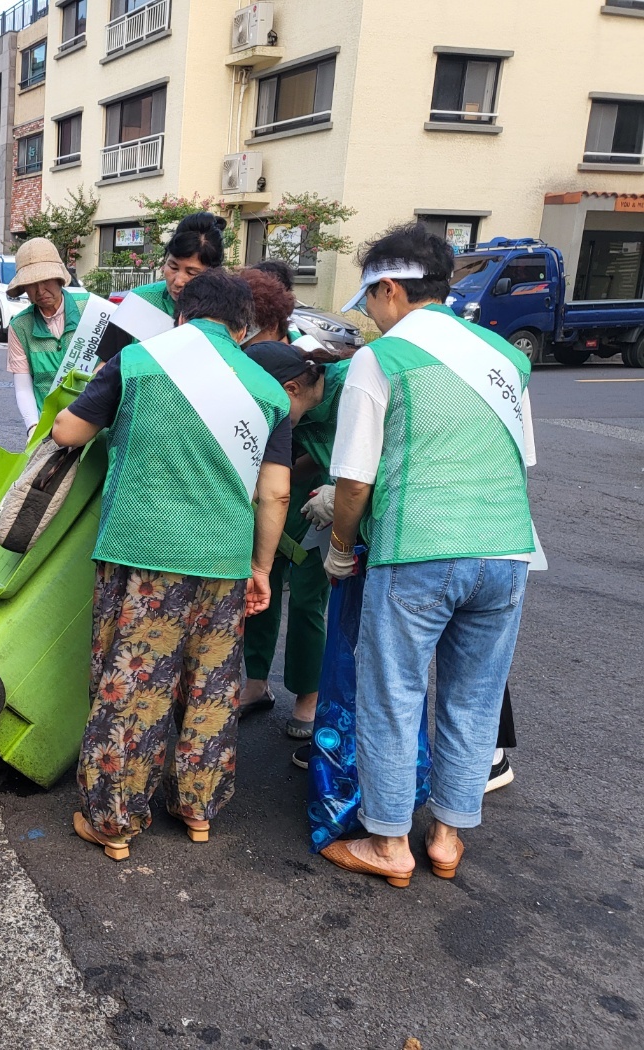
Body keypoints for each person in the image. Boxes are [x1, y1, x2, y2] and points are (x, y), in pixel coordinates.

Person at [319, 223, 535, 887]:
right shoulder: (506, 357)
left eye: (370, 298)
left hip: (418, 549)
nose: (370, 312)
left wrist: (339, 545)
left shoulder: (380, 359)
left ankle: (389, 845)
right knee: (472, 697)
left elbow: (354, 480)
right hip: (505, 549)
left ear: (389, 287)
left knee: (393, 695)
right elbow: (522, 459)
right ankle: (445, 836)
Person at [52, 270, 292, 860]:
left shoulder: (137, 363)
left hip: (142, 553)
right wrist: (260, 567)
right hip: (224, 560)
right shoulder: (268, 390)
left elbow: (69, 431)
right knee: (210, 688)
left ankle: (114, 824)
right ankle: (197, 810)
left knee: (134, 686)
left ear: (182, 315)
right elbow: (276, 493)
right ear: (243, 328)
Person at [236, 266, 343, 739]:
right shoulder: (269, 364)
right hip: (286, 487)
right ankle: (256, 682)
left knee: (307, 599)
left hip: (331, 499)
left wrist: (336, 491)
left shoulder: (343, 387)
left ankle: (308, 695)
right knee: (260, 584)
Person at [5, 237, 90, 435]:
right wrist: (33, 427)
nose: (40, 291)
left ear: (59, 278)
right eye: (31, 284)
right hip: (50, 429)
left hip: (95, 422)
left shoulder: (91, 309)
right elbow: (23, 387)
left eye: (46, 280)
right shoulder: (20, 326)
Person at [126, 212, 226, 320]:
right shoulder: (139, 301)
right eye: (173, 267)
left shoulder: (227, 311)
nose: (178, 282)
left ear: (214, 273)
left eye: (191, 273)